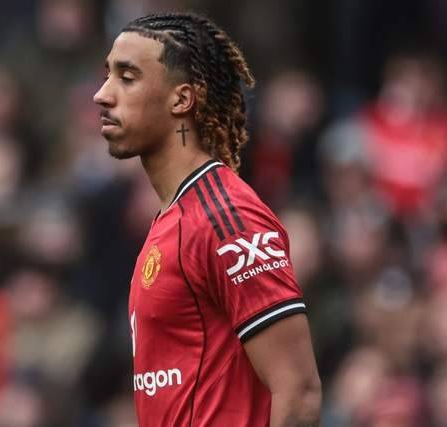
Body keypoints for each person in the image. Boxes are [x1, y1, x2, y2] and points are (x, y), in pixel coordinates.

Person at [93, 12, 321, 427]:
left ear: (181, 100)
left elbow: (298, 392)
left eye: (127, 77)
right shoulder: (173, 218)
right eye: (107, 75)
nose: (102, 94)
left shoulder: (227, 217)